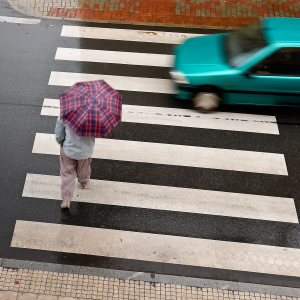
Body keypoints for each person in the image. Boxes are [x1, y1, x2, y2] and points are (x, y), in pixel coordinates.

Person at [55, 116, 95, 209]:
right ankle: (84, 182)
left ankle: (66, 199)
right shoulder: (94, 116)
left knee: (67, 173)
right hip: (85, 151)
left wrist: (60, 142)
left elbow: (59, 133)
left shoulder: (65, 113)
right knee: (84, 168)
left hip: (68, 149)